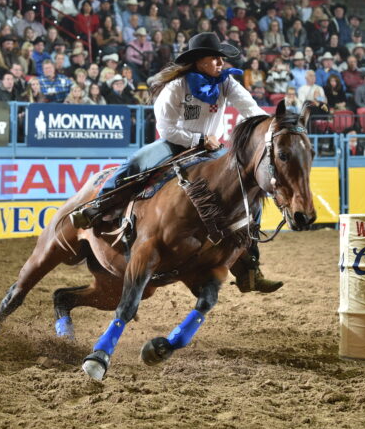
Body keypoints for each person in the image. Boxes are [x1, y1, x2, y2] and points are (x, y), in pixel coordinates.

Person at [69, 32, 283, 293]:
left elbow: (252, 111)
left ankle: (251, 266)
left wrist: (273, 127)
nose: (220, 62)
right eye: (214, 58)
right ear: (198, 62)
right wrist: (200, 139)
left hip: (211, 150)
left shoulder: (227, 84)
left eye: (221, 58)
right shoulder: (176, 87)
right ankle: (97, 207)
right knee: (135, 163)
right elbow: (167, 129)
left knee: (246, 185)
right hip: (174, 144)